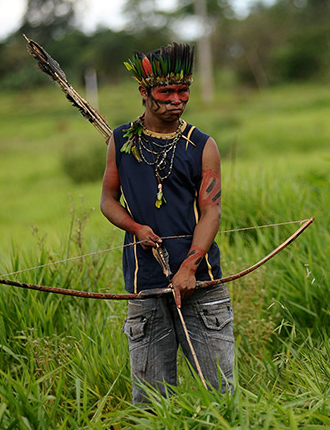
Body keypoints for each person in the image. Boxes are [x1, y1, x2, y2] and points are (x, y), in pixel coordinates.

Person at [100, 42, 234, 404]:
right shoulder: (121, 141)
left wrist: (190, 266)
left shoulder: (202, 145)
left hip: (201, 285)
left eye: (183, 91)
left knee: (222, 398)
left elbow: (211, 211)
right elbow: (108, 201)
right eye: (166, 92)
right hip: (144, 285)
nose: (177, 100)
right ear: (144, 93)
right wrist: (136, 228)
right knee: (151, 404)